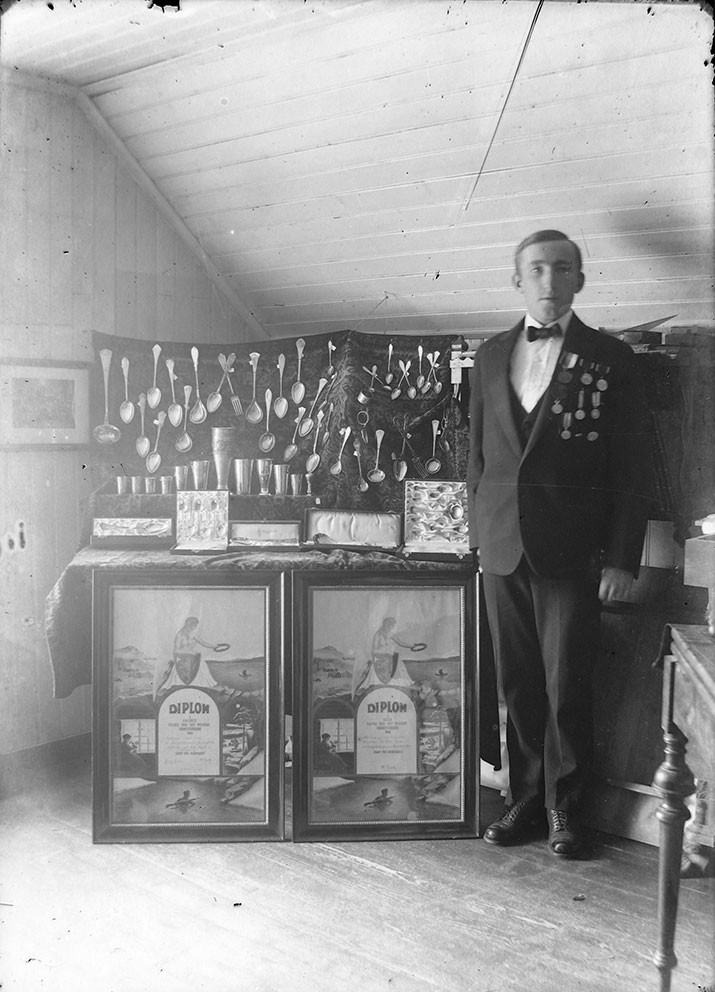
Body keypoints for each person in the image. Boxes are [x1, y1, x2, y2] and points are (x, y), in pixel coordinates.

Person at [467, 230, 653, 858]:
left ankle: (566, 809)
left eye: (563, 269)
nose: (550, 282)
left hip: (572, 553)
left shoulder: (613, 358)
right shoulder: (490, 355)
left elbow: (632, 470)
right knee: (517, 683)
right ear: (517, 280)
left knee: (566, 682)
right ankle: (523, 799)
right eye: (537, 270)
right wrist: (477, 533)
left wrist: (623, 558)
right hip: (501, 546)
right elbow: (480, 458)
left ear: (580, 279)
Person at [154, 616, 223, 696]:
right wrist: (189, 652)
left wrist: (215, 646)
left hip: (192, 658)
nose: (195, 627)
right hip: (181, 658)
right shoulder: (180, 635)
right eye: (194, 625)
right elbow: (176, 650)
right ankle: (167, 688)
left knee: (202, 664)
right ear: (189, 624)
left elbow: (204, 643)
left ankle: (210, 685)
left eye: (196, 626)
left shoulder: (193, 635)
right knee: (175, 672)